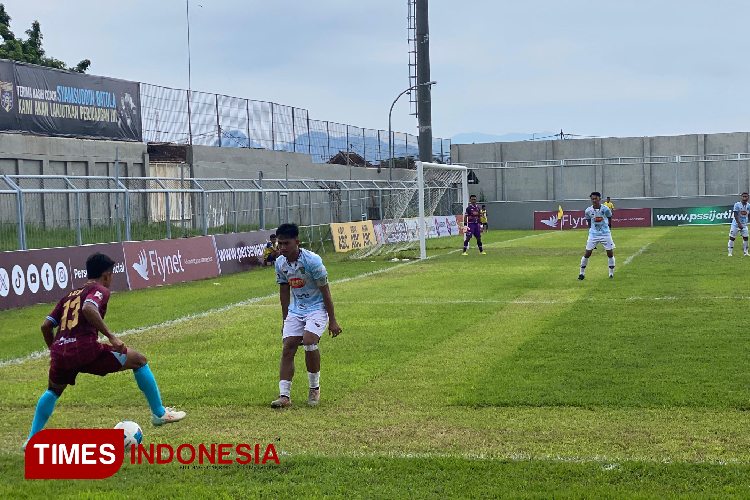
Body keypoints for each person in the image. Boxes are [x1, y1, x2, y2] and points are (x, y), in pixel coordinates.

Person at [24, 253, 185, 450]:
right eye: (111, 275)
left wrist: (55, 350)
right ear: (107, 274)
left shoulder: (69, 295)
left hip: (62, 354)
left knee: (53, 391)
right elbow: (88, 308)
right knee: (139, 361)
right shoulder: (100, 289)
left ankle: (32, 440)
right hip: (86, 350)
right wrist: (111, 336)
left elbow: (45, 326)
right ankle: (159, 414)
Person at [272, 223, 342, 408]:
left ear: (297, 242)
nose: (282, 248)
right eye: (280, 244)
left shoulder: (313, 261)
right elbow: (284, 292)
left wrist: (332, 320)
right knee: (288, 346)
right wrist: (285, 318)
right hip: (296, 310)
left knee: (309, 340)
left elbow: (325, 291)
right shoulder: (280, 263)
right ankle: (284, 396)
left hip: (316, 308)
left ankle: (314, 388)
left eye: (286, 243)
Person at [578, 192, 615, 280]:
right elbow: (588, 221)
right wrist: (592, 230)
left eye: (596, 198)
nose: (594, 200)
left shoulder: (605, 209)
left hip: (605, 233)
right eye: (592, 199)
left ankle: (611, 274)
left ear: (599, 198)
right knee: (587, 253)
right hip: (593, 234)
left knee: (609, 252)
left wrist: (608, 227)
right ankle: (581, 273)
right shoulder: (588, 210)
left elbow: (609, 217)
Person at [728, 192, 750, 257]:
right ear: (741, 197)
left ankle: (746, 252)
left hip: (744, 224)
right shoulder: (737, 204)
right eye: (743, 196)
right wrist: (739, 223)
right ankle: (730, 252)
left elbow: (749, 215)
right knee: (732, 238)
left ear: (748, 198)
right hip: (735, 224)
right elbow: (735, 214)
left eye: (746, 196)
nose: (744, 198)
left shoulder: (748, 206)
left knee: (746, 238)